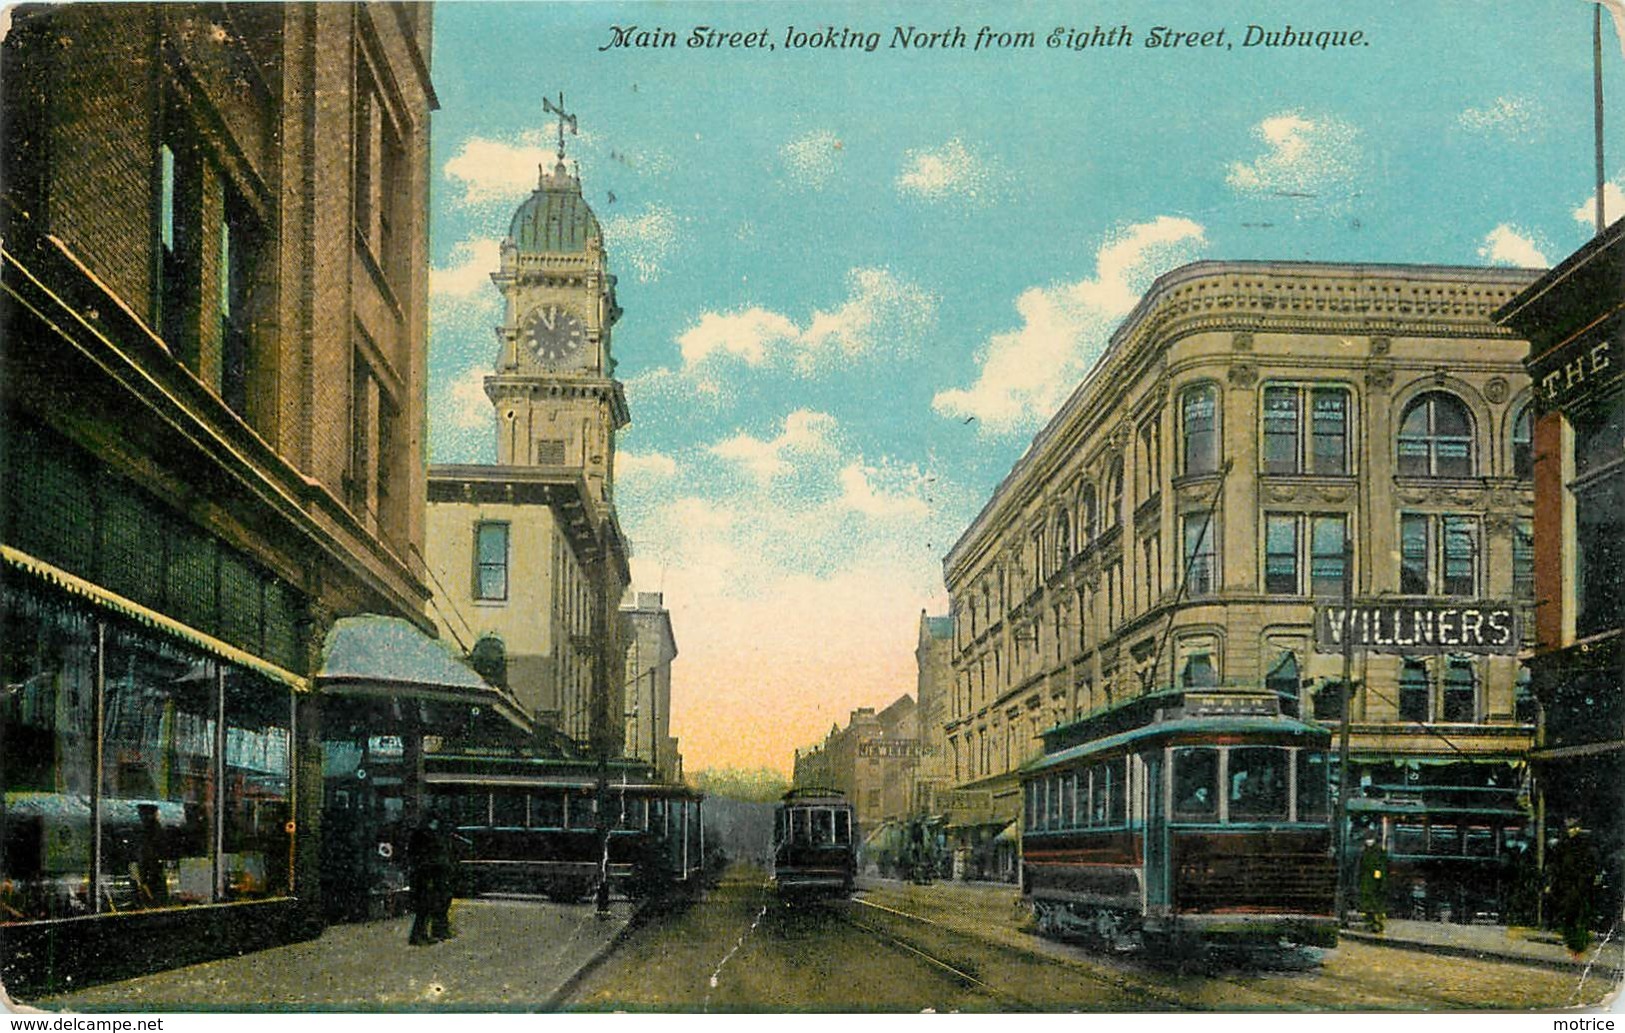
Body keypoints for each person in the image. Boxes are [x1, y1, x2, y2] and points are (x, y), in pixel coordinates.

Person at [1547, 818, 1600, 956]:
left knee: (1576, 914)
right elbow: (1556, 866)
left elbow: (1590, 868)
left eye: (1573, 828)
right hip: (1569, 885)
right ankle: (1574, 941)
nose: (1571, 831)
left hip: (1577, 885)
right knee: (1571, 914)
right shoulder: (1564, 846)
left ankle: (1576, 942)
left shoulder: (1580, 847)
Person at [407, 815, 453, 945]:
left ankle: (423, 934)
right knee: (425, 907)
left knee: (429, 906)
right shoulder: (426, 836)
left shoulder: (426, 835)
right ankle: (420, 935)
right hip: (427, 874)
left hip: (429, 873)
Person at [134, 803, 169, 906]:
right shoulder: (151, 830)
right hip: (151, 870)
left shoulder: (151, 831)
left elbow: (149, 852)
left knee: (153, 897)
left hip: (151, 871)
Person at [1358, 834, 1388, 933]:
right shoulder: (1365, 851)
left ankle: (1376, 923)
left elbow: (1382, 867)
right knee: (1368, 903)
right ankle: (1371, 923)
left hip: (1374, 883)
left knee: (1374, 903)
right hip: (1367, 881)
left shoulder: (1378, 852)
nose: (1368, 841)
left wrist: (1380, 878)